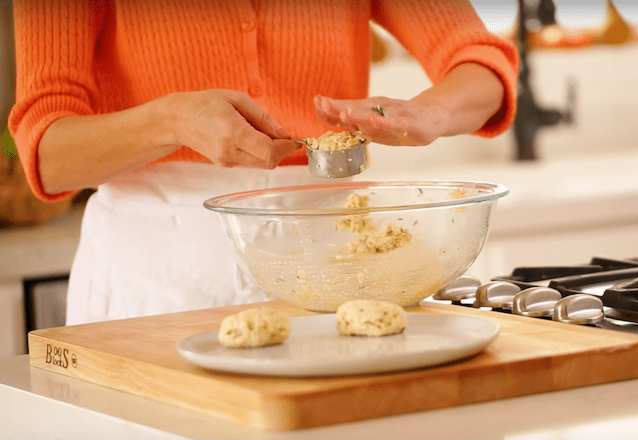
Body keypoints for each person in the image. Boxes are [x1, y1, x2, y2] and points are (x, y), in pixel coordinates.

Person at [9, 0, 519, 325]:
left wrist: (430, 112)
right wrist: (171, 121)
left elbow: (481, 60)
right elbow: (48, 153)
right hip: (152, 285)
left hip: (330, 267)